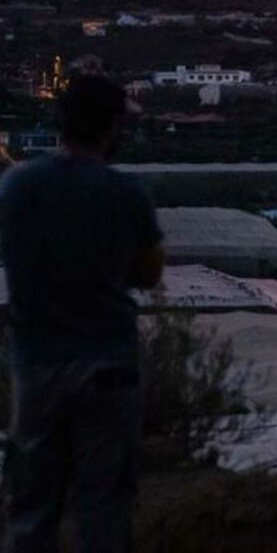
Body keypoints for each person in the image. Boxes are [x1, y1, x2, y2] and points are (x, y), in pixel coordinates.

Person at [0, 74, 164, 553]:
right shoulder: (127, 193)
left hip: (36, 369)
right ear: (113, 129)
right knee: (104, 507)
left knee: (32, 505)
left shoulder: (18, 188)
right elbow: (149, 274)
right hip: (108, 368)